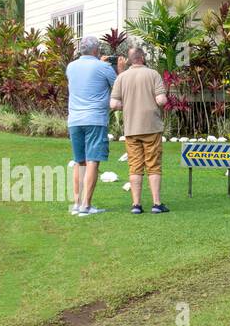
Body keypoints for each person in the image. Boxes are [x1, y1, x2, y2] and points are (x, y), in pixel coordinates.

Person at [110, 46, 170, 214]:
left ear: (129, 60)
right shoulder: (153, 74)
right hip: (151, 127)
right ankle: (157, 204)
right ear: (142, 58)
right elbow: (161, 100)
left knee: (135, 166)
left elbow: (114, 104)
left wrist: (128, 105)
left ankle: (136, 205)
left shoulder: (122, 77)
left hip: (131, 128)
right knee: (153, 165)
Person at [66, 36, 119, 216]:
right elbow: (117, 87)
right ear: (96, 51)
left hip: (74, 120)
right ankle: (86, 206)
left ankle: (76, 203)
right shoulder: (103, 67)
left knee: (79, 161)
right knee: (92, 161)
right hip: (95, 119)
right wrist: (116, 68)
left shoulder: (71, 67)